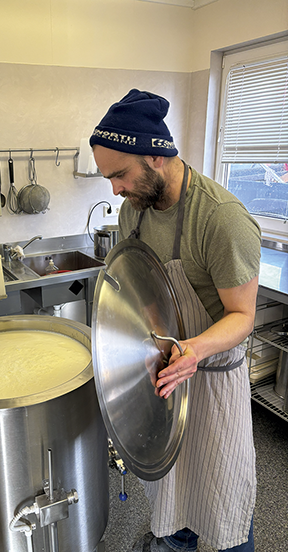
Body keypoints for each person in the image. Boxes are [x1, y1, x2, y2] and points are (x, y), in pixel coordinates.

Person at [89, 89, 261, 552]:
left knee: (222, 490)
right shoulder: (134, 212)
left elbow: (243, 317)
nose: (115, 189)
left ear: (155, 156)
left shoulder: (221, 220)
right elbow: (143, 287)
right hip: (168, 372)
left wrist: (193, 351)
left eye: (120, 174)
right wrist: (147, 347)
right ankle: (175, 541)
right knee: (170, 484)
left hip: (213, 378)